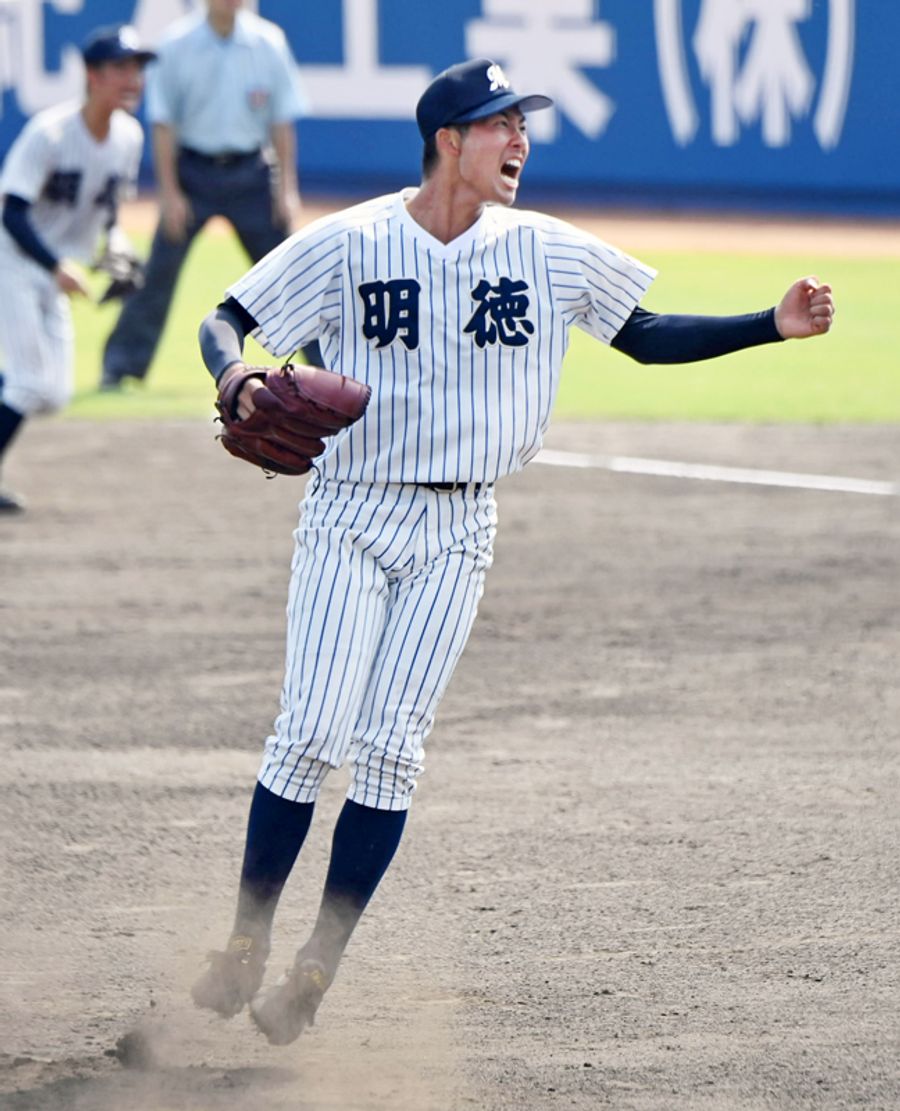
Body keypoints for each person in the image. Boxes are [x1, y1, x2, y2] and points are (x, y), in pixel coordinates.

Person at [192, 58, 835, 1045]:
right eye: (502, 126)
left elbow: (647, 333)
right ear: (449, 140)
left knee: (391, 752)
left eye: (523, 126)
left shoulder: (546, 252)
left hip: (460, 528)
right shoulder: (353, 241)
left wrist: (771, 325)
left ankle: (317, 961)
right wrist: (236, 376)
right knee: (311, 731)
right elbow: (224, 317)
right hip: (350, 513)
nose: (521, 144)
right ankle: (244, 937)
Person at [99, 0, 320, 392]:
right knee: (158, 273)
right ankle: (122, 366)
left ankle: (330, 363)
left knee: (290, 277)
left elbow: (281, 121)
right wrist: (169, 194)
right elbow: (164, 123)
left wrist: (287, 189)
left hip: (252, 173)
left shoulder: (268, 42)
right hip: (193, 173)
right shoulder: (176, 44)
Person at [0, 25, 155, 514]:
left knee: (53, 394)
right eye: (121, 69)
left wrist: (120, 252)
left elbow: (107, 217)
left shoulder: (128, 136)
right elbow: (11, 210)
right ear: (92, 75)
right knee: (30, 384)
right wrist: (56, 264)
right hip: (15, 260)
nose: (132, 79)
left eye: (138, 69)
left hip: (57, 271)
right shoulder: (49, 133)